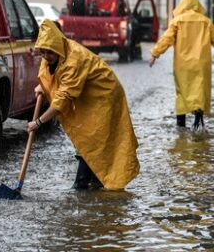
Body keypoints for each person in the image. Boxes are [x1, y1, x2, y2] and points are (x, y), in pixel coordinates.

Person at [27, 19, 140, 190]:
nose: (45, 57)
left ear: (56, 47)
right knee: (89, 137)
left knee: (93, 138)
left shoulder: (74, 60)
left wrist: (39, 122)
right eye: (42, 53)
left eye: (48, 53)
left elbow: (62, 101)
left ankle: (82, 184)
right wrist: (43, 85)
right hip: (87, 96)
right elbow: (54, 73)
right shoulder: (54, 50)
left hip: (104, 95)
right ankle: (94, 183)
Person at [148, 0, 214, 130]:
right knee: (199, 90)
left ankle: (181, 126)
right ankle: (198, 119)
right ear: (197, 6)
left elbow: (166, 39)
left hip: (182, 64)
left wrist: (155, 54)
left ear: (181, 6)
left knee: (182, 92)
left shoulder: (177, 21)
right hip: (201, 63)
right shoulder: (205, 21)